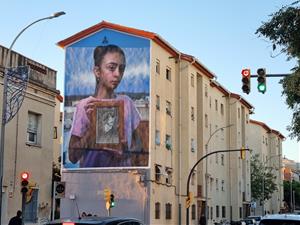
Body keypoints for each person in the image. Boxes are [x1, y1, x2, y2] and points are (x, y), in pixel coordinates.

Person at [68, 44, 142, 167]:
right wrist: (92, 130)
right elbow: (72, 157)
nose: (118, 74)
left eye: (122, 69)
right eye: (111, 68)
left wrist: (127, 152)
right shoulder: (85, 106)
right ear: (97, 71)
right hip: (91, 178)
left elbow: (140, 145)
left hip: (123, 178)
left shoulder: (127, 103)